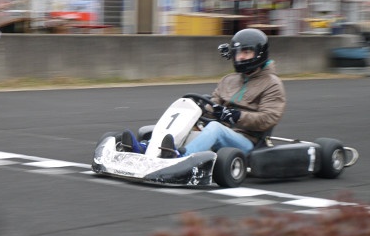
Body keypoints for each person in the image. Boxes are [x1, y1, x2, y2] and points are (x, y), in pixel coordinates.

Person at [121, 28, 286, 158]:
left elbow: (269, 118)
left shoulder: (272, 84)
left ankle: (180, 157)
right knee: (186, 119)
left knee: (215, 128)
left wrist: (235, 116)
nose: (241, 57)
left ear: (259, 53)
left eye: (246, 52)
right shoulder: (229, 80)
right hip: (221, 131)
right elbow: (214, 107)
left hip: (248, 141)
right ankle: (146, 148)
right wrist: (202, 109)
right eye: (238, 52)